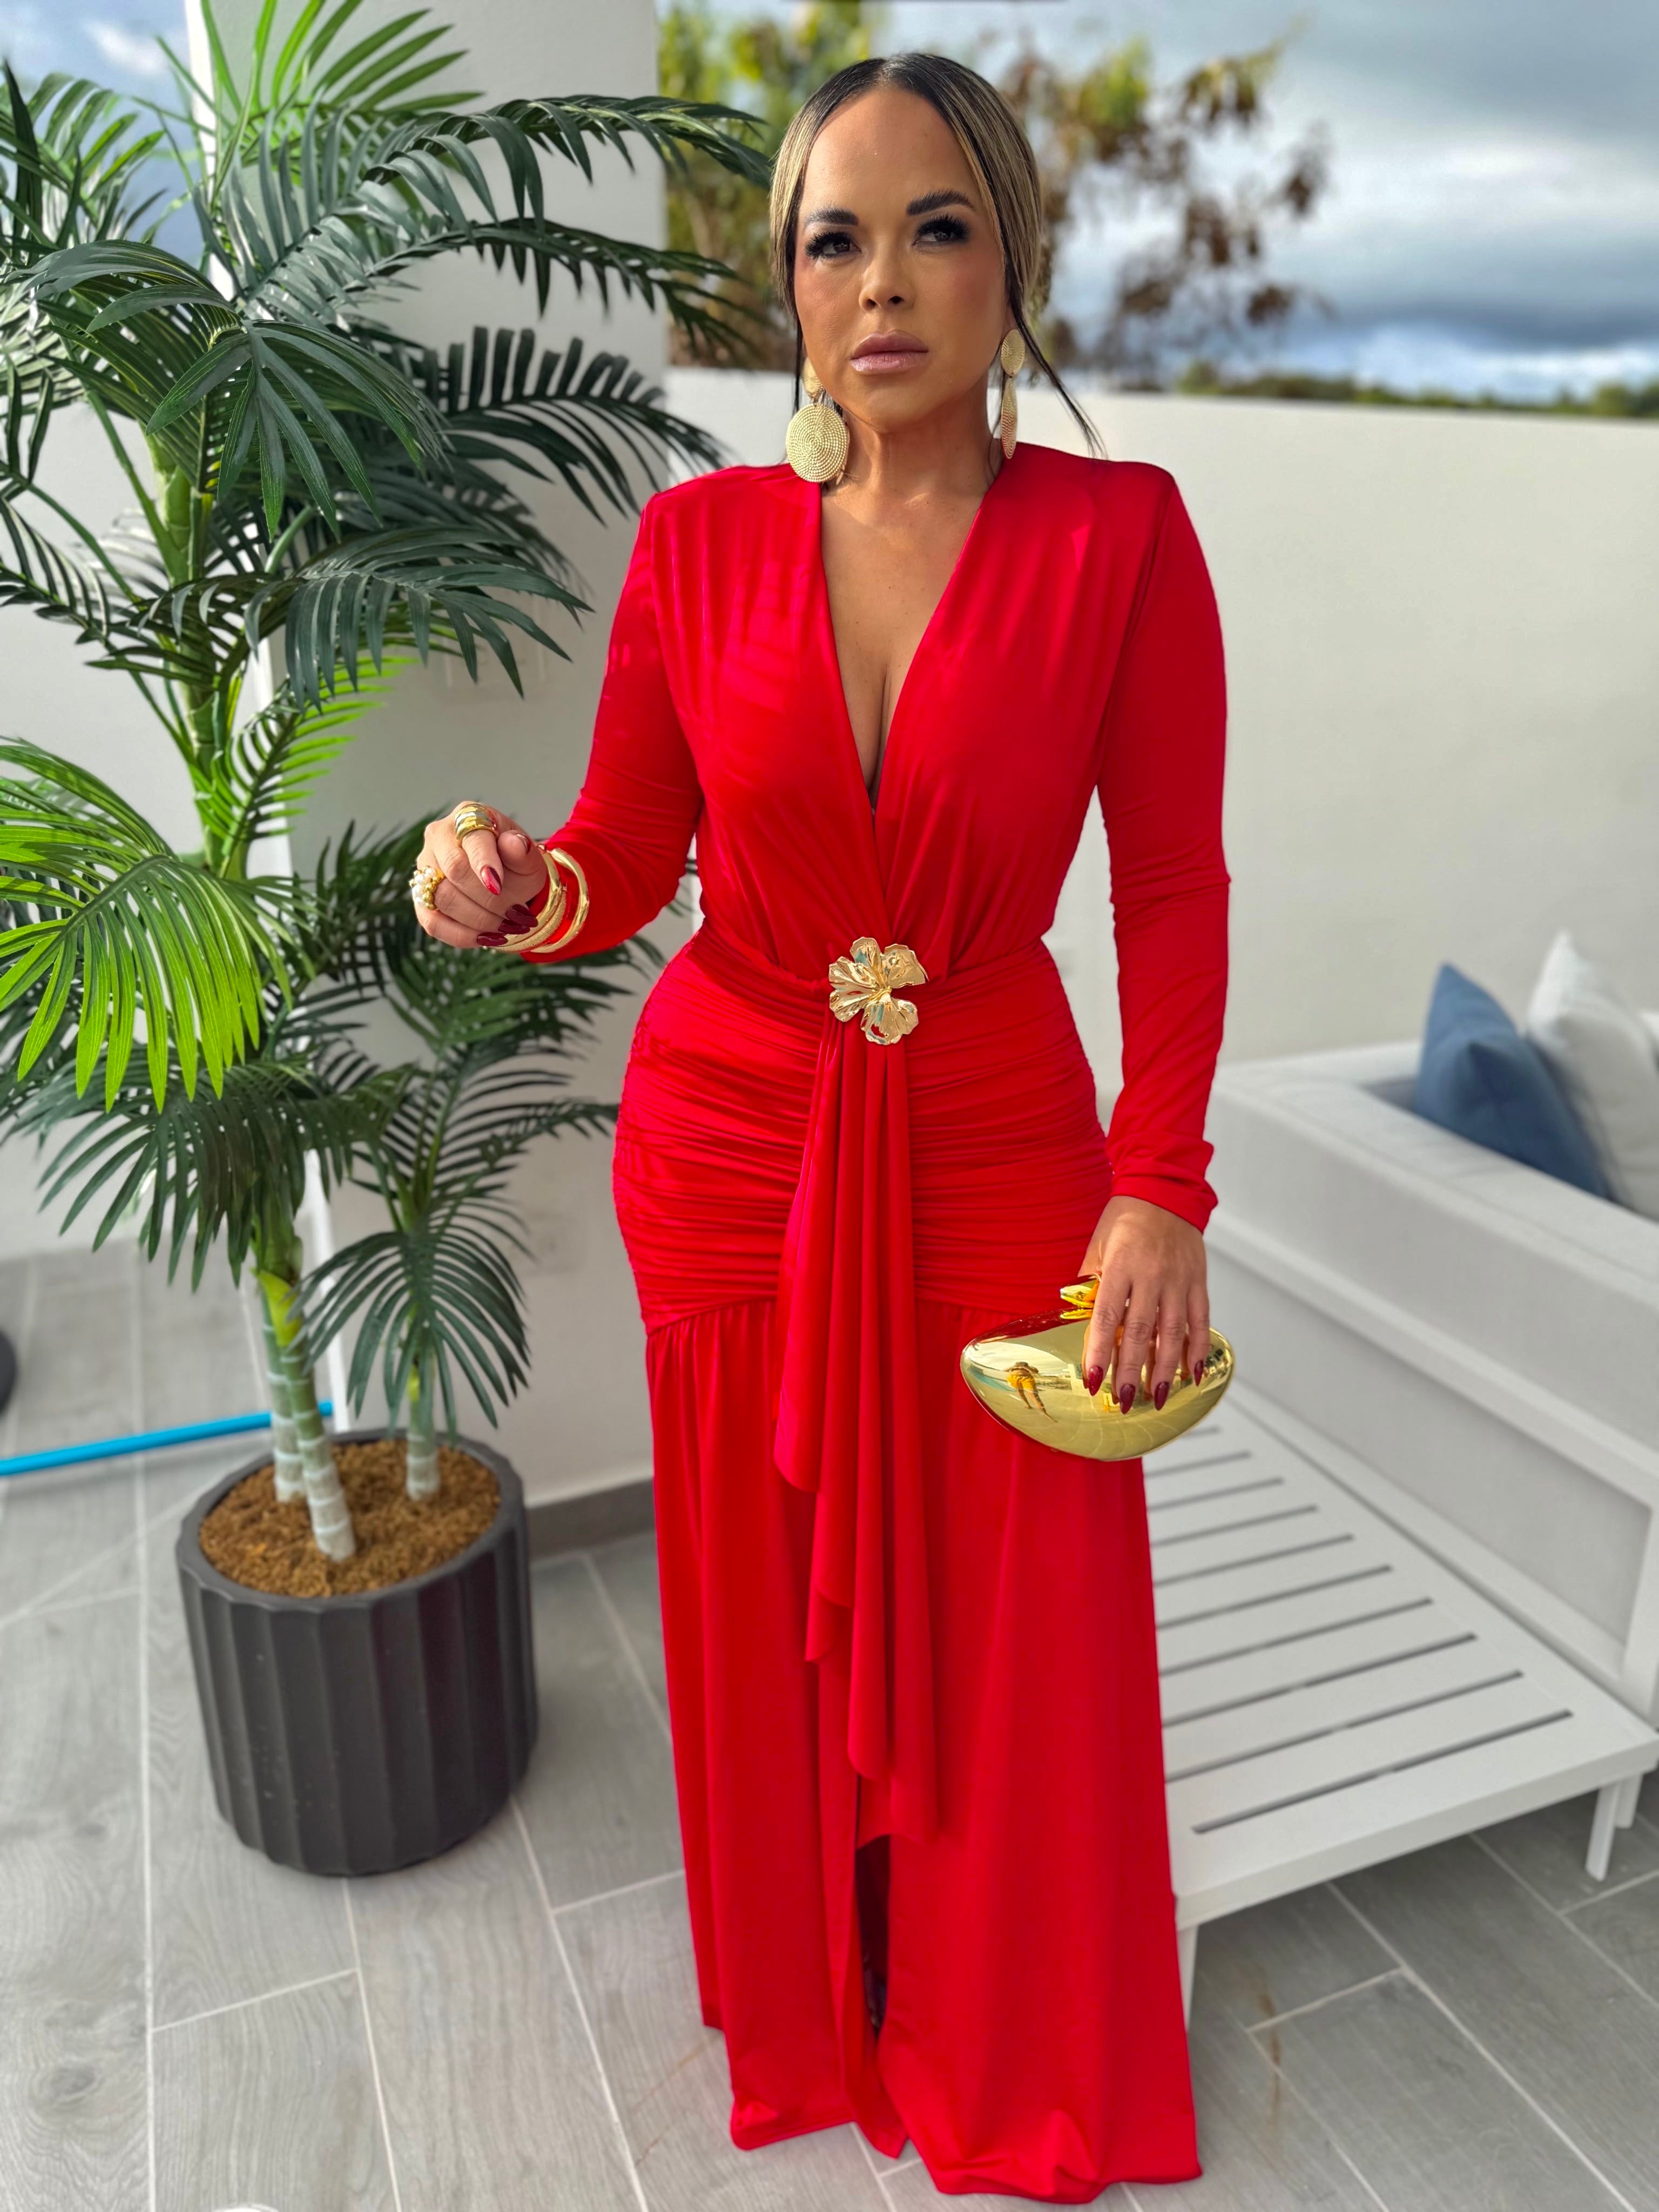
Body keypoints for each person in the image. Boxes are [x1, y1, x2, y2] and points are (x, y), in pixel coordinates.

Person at [410, 51, 1228, 2202]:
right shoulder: (697, 545)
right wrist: (515, 886)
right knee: (772, 1606)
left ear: (1010, 258)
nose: (881, 283)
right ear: (787, 281)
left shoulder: (1122, 540)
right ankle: (815, 2002)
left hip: (999, 1140)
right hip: (731, 1141)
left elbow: (1171, 884)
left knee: (1014, 1621)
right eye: (832, 239)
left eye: (936, 228)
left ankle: (994, 2032)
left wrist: (1162, 1183)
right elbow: (622, 848)